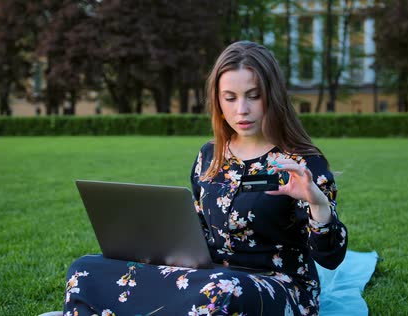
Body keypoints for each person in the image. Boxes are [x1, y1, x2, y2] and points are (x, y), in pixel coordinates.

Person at [63, 41, 347, 316]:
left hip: (277, 286)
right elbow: (197, 229)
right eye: (230, 98)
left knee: (219, 292)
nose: (241, 110)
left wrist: (318, 205)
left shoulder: (302, 163)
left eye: (253, 95)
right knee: (84, 269)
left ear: (272, 95)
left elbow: (330, 258)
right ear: (218, 100)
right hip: (207, 275)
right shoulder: (209, 155)